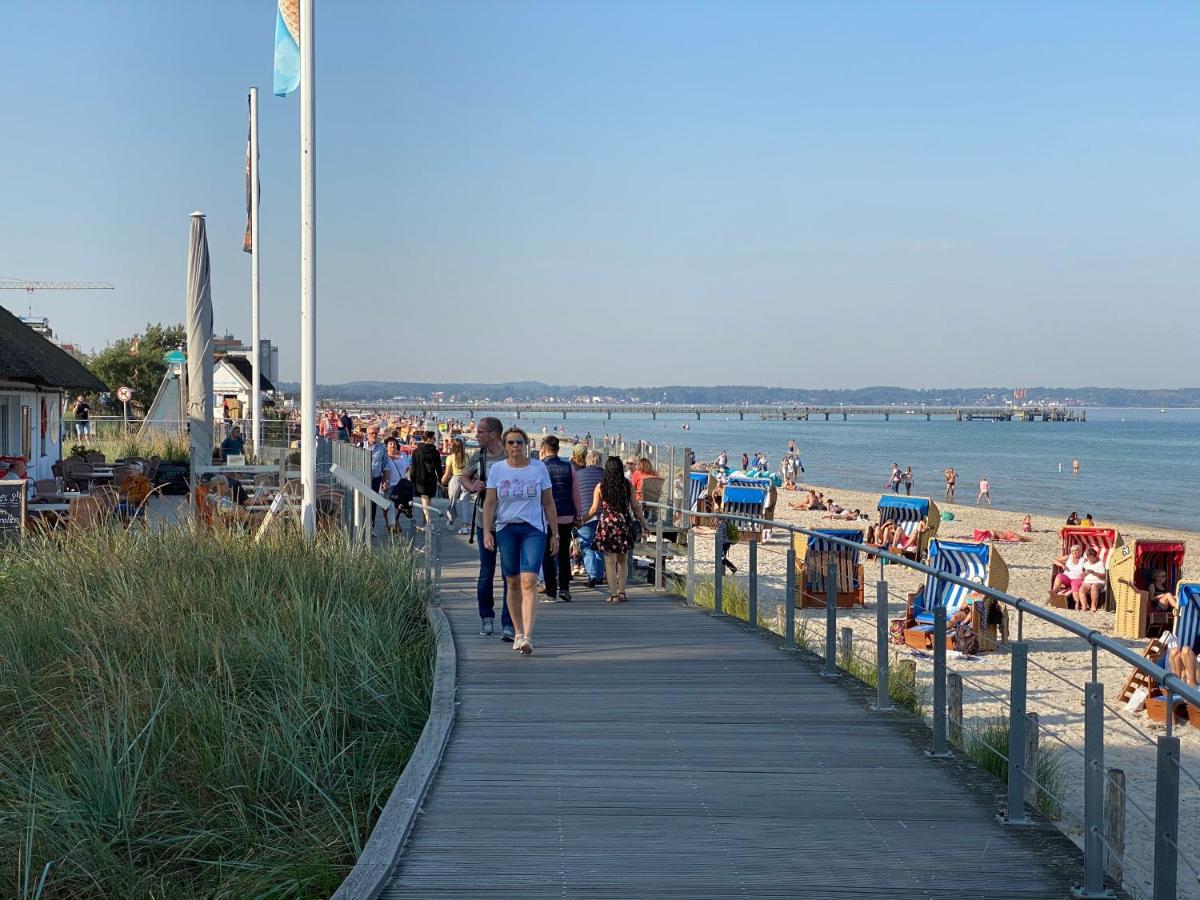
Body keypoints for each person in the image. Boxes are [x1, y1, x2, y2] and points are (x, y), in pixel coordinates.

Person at [482, 427, 558, 656]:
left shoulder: (538, 468)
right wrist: (487, 531)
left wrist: (556, 533)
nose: (515, 446)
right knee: (512, 581)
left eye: (519, 442)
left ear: (526, 445)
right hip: (506, 528)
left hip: (533, 529)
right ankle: (517, 631)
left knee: (530, 580)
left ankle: (527, 636)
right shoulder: (497, 469)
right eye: (511, 442)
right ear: (505, 446)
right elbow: (489, 504)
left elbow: (548, 503)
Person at [460, 417, 514, 640]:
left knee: (510, 574)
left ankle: (509, 622)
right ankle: (486, 617)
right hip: (485, 522)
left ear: (493, 434)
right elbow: (464, 476)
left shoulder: (509, 455)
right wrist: (473, 486)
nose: (477, 435)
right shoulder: (479, 456)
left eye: (481, 432)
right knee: (486, 571)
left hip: (509, 521)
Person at [585, 456, 650, 603]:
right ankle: (622, 592)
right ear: (620, 469)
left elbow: (594, 509)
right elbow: (635, 507)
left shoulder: (601, 486)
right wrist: (644, 523)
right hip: (623, 524)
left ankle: (613, 594)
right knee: (623, 560)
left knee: (610, 562)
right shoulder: (627, 485)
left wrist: (581, 520)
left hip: (607, 524)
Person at [538, 435, 578, 603]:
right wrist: (578, 514)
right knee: (563, 553)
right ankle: (565, 589)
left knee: (547, 554)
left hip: (546, 517)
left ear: (543, 450)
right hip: (567, 514)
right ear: (558, 450)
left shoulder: (540, 468)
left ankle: (550, 592)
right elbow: (576, 493)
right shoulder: (569, 467)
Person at [573, 449, 607, 588]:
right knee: (600, 545)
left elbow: (574, 495)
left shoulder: (578, 475)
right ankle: (599, 575)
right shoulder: (605, 476)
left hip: (585, 514)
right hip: (603, 515)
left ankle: (592, 575)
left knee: (586, 545)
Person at [409, 430, 444, 526]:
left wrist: (412, 479)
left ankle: (426, 522)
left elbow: (413, 467)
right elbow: (438, 468)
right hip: (431, 479)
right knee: (428, 502)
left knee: (424, 501)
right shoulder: (435, 452)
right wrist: (441, 480)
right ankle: (428, 522)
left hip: (420, 479)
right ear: (429, 439)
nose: (435, 440)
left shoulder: (416, 451)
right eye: (434, 439)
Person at [381, 438, 413, 531]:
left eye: (394, 443)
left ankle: (395, 523)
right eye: (390, 444)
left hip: (401, 485)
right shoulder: (385, 456)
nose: (392, 445)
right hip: (389, 484)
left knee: (398, 506)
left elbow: (407, 468)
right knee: (386, 505)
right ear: (386, 446)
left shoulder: (403, 455)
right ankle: (388, 522)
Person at [441, 436, 470, 534]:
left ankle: (451, 522)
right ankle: (464, 526)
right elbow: (470, 470)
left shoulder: (450, 457)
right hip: (466, 480)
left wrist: (442, 481)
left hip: (455, 479)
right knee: (465, 503)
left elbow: (447, 473)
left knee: (453, 502)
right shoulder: (466, 456)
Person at [360, 424, 388, 529]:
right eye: (372, 433)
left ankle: (371, 527)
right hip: (362, 479)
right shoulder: (361, 445)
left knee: (373, 504)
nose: (374, 435)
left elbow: (385, 464)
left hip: (375, 479)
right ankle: (361, 525)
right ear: (367, 434)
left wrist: (385, 480)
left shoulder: (382, 447)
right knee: (361, 503)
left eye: (376, 433)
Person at [1079, 547, 1106, 612]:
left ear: (1095, 556)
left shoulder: (1100, 563)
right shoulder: (1086, 563)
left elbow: (1103, 577)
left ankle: (1093, 606)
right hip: (1088, 581)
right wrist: (1084, 574)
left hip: (1099, 581)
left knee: (1094, 587)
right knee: (1081, 589)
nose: (1090, 559)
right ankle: (1084, 607)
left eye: (1092, 557)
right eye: (1089, 558)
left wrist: (1093, 572)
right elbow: (1084, 575)